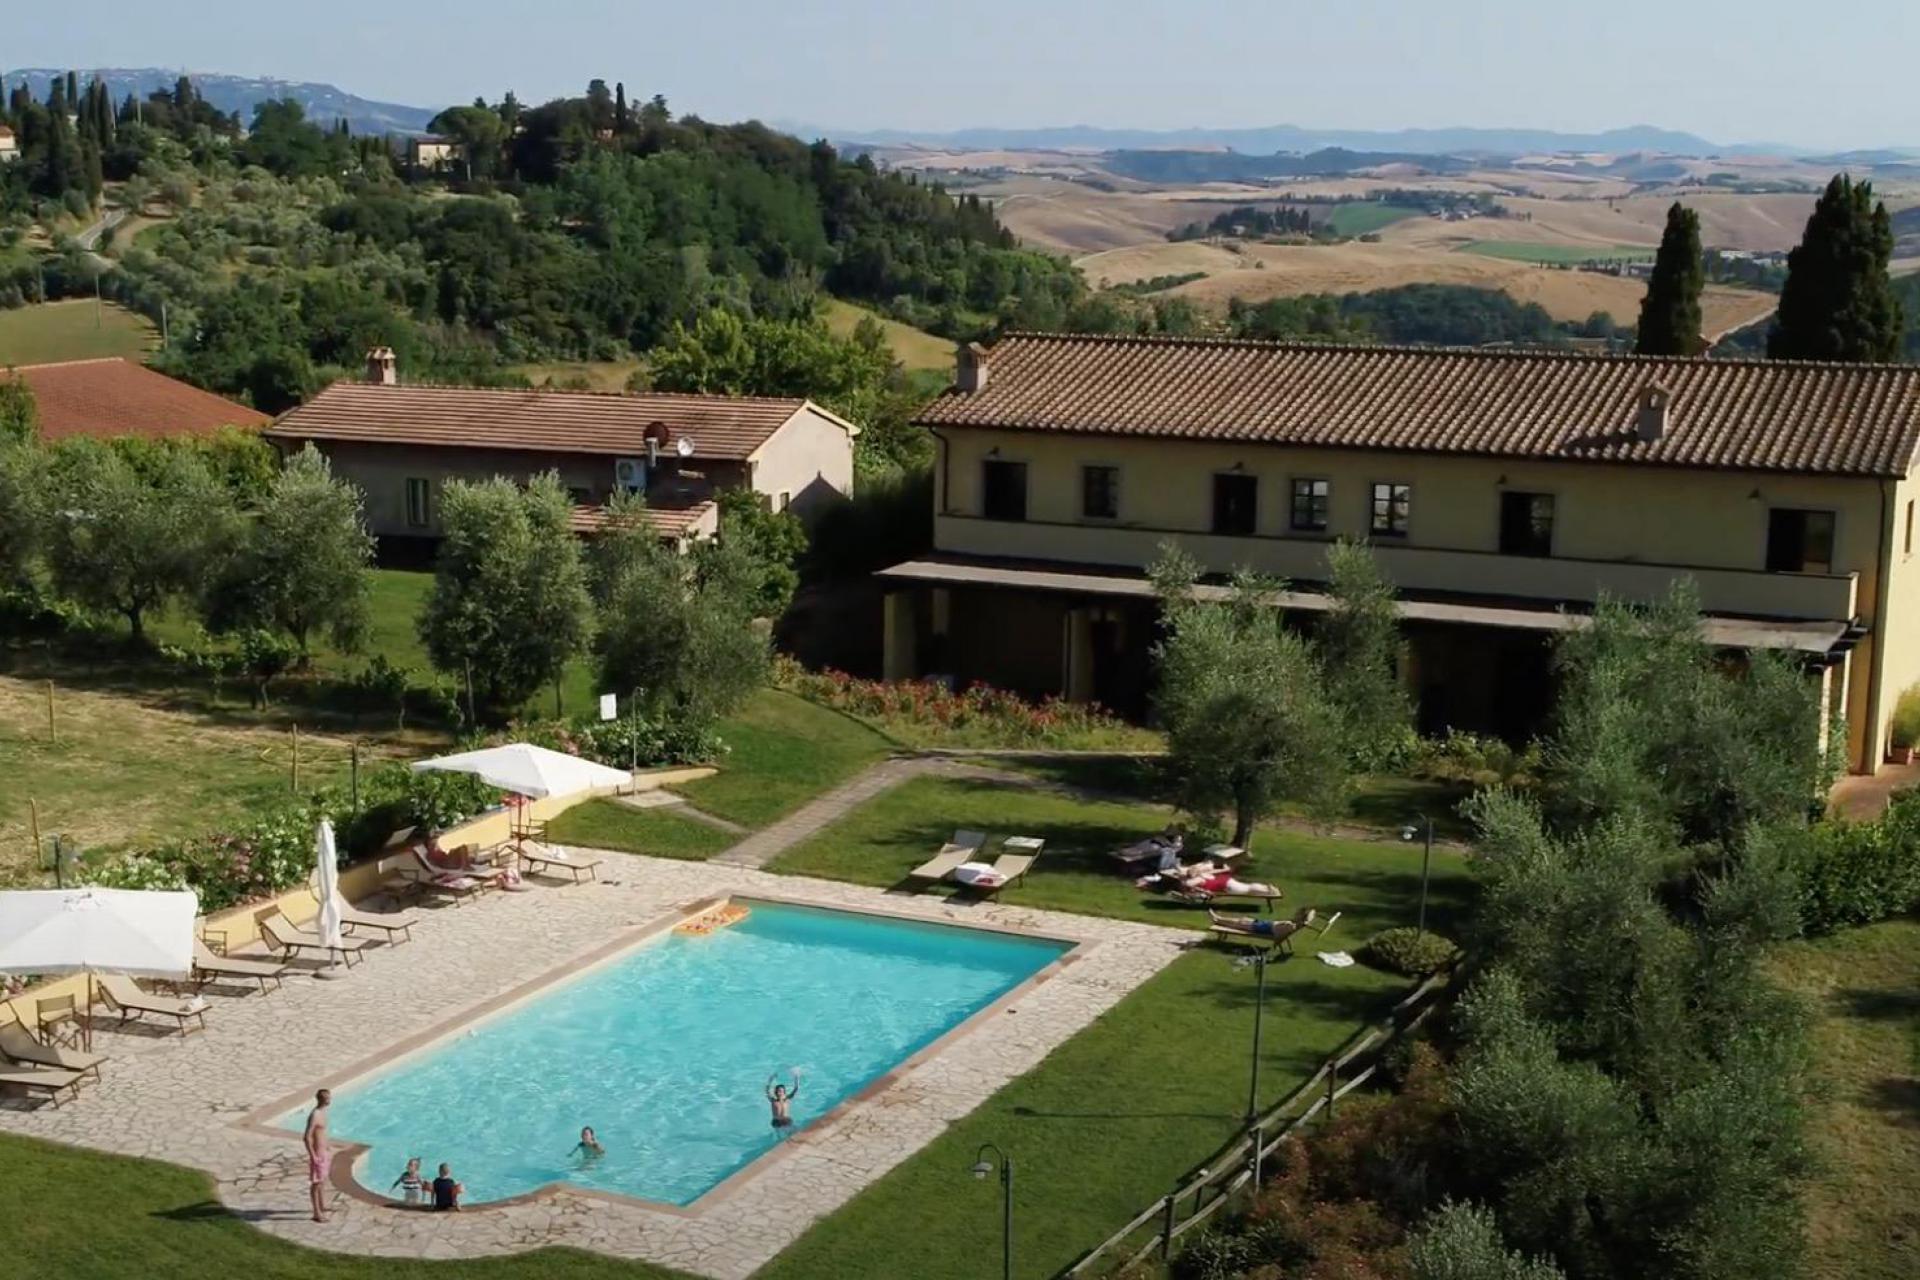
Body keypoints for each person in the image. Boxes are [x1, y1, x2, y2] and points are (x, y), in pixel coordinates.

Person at [303, 1089, 332, 1223]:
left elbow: (322, 1133)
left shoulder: (323, 1112)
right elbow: (307, 1137)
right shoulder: (314, 1115)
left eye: (329, 1097)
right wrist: (313, 1155)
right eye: (326, 1098)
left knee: (323, 1180)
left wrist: (328, 1146)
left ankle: (322, 1205)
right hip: (318, 1153)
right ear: (320, 1099)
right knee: (317, 1183)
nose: (328, 1100)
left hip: (324, 1152)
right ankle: (316, 1213)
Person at [1210, 906, 1316, 938]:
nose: (1296, 914)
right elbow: (1312, 912)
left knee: (1240, 923)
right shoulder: (1295, 923)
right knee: (1243, 919)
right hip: (1266, 925)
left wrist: (1305, 921)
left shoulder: (1293, 925)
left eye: (1298, 913)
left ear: (1301, 917)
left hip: (1265, 929)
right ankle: (1218, 918)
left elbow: (1310, 914)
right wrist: (1306, 920)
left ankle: (1218, 920)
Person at [766, 1070, 803, 1136]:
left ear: (784, 1092)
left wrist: (796, 1077)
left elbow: (796, 1089)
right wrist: (771, 1079)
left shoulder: (787, 1099)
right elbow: (767, 1090)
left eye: (782, 1091)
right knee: (780, 1135)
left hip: (786, 1120)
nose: (780, 1093)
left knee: (797, 1132)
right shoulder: (773, 1100)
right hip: (776, 1121)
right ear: (776, 1092)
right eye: (779, 1091)